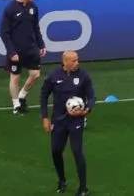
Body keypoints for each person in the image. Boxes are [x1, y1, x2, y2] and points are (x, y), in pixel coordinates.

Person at [42, 47, 96, 196]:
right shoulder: (53, 76)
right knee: (55, 151)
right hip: (58, 121)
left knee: (77, 152)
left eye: (77, 59)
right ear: (65, 62)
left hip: (76, 120)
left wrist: (87, 110)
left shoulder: (84, 75)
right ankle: (62, 180)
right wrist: (45, 117)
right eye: (73, 60)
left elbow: (91, 96)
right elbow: (43, 96)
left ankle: (83, 188)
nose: (77, 62)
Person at [4, 0, 46, 114]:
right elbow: (4, 33)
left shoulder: (33, 7)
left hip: (31, 48)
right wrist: (11, 52)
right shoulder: (10, 9)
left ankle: (22, 95)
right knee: (15, 76)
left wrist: (41, 44)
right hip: (16, 50)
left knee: (35, 74)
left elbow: (36, 27)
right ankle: (16, 105)